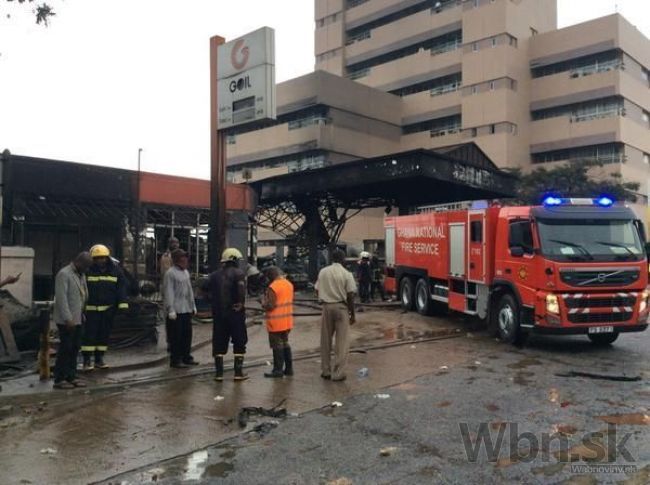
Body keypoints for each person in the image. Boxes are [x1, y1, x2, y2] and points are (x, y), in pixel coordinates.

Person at [81, 244, 129, 370]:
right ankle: (86, 360)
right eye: (97, 258)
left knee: (103, 335)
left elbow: (121, 289)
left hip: (108, 310)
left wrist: (123, 305)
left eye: (102, 258)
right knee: (89, 336)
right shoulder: (87, 271)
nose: (100, 261)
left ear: (107, 258)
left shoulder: (116, 271)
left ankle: (99, 359)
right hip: (90, 311)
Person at [204, 248, 248, 382]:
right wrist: (240, 304)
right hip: (235, 313)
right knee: (239, 341)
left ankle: (219, 374)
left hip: (218, 314)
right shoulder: (239, 273)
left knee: (219, 341)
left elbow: (203, 289)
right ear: (234, 259)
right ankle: (238, 373)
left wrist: (212, 303)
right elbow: (241, 291)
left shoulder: (213, 275)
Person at [52, 252, 92, 389]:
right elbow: (61, 299)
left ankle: (71, 376)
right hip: (66, 321)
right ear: (79, 263)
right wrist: (68, 319)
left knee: (75, 348)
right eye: (86, 266)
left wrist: (82, 314)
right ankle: (59, 378)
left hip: (79, 317)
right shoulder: (64, 274)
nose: (87, 270)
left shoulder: (81, 275)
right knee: (66, 348)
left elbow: (82, 295)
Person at [316, 249, 357, 382]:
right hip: (341, 308)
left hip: (326, 307)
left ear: (332, 259)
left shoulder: (323, 272)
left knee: (325, 340)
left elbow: (316, 289)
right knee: (342, 341)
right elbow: (350, 295)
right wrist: (352, 314)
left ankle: (325, 371)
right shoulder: (346, 274)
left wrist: (324, 297)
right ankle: (338, 373)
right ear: (343, 259)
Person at [163, 249, 198, 368]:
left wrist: (193, 305)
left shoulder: (186, 273)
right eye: (183, 258)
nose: (186, 260)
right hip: (176, 310)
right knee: (176, 337)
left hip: (186, 309)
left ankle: (186, 357)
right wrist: (170, 309)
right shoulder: (170, 273)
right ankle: (175, 360)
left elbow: (189, 291)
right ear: (177, 260)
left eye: (186, 258)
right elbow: (168, 292)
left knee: (186, 335)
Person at [261, 266, 294, 378]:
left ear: (271, 275)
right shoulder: (289, 284)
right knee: (285, 343)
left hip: (276, 322)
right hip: (287, 321)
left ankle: (277, 370)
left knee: (277, 345)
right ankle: (289, 369)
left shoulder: (273, 287)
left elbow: (270, 305)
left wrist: (263, 303)